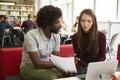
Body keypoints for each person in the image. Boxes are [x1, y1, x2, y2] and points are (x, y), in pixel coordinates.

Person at [20, 5, 69, 80]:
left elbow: (56, 59)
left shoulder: (56, 36)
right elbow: (38, 64)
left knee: (65, 74)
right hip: (28, 67)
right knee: (51, 77)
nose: (61, 25)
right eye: (57, 23)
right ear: (47, 25)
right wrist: (61, 63)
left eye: (60, 21)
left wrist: (66, 64)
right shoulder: (31, 36)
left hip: (46, 66)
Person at [72, 9, 106, 75]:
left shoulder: (101, 36)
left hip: (97, 64)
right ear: (79, 22)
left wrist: (92, 67)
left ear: (93, 22)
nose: (85, 24)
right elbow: (78, 57)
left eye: (89, 21)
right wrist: (87, 66)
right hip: (82, 65)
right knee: (81, 72)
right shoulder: (75, 37)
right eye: (83, 21)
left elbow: (102, 56)